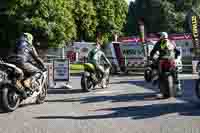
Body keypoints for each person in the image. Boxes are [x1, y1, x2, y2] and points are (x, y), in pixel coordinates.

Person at [8, 32, 46, 98]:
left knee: (15, 76)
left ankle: (21, 88)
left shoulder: (16, 44)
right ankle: (27, 81)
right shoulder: (30, 46)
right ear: (30, 39)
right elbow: (36, 58)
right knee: (38, 72)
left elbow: (10, 52)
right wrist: (43, 65)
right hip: (21, 62)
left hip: (10, 61)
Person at [149, 32, 182, 96]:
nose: (158, 37)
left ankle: (161, 90)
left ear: (162, 36)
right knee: (175, 74)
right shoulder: (171, 42)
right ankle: (178, 90)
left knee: (160, 74)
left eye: (159, 36)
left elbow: (153, 52)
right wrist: (176, 57)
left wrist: (151, 57)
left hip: (162, 60)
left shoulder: (159, 43)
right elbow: (177, 51)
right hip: (171, 60)